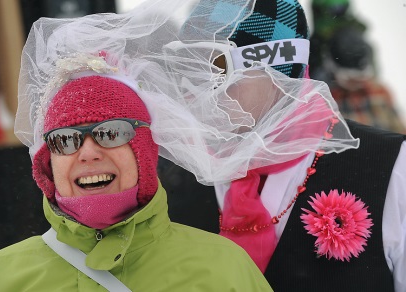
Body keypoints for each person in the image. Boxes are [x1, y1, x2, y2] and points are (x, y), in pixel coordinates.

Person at [0, 2, 273, 291]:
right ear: (47, 162)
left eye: (110, 133)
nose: (87, 153)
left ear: (145, 150)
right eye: (66, 139)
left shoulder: (222, 269)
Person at [163, 0, 406, 291]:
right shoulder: (175, 176)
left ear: (279, 68)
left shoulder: (390, 166)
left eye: (216, 66)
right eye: (189, 68)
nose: (199, 89)